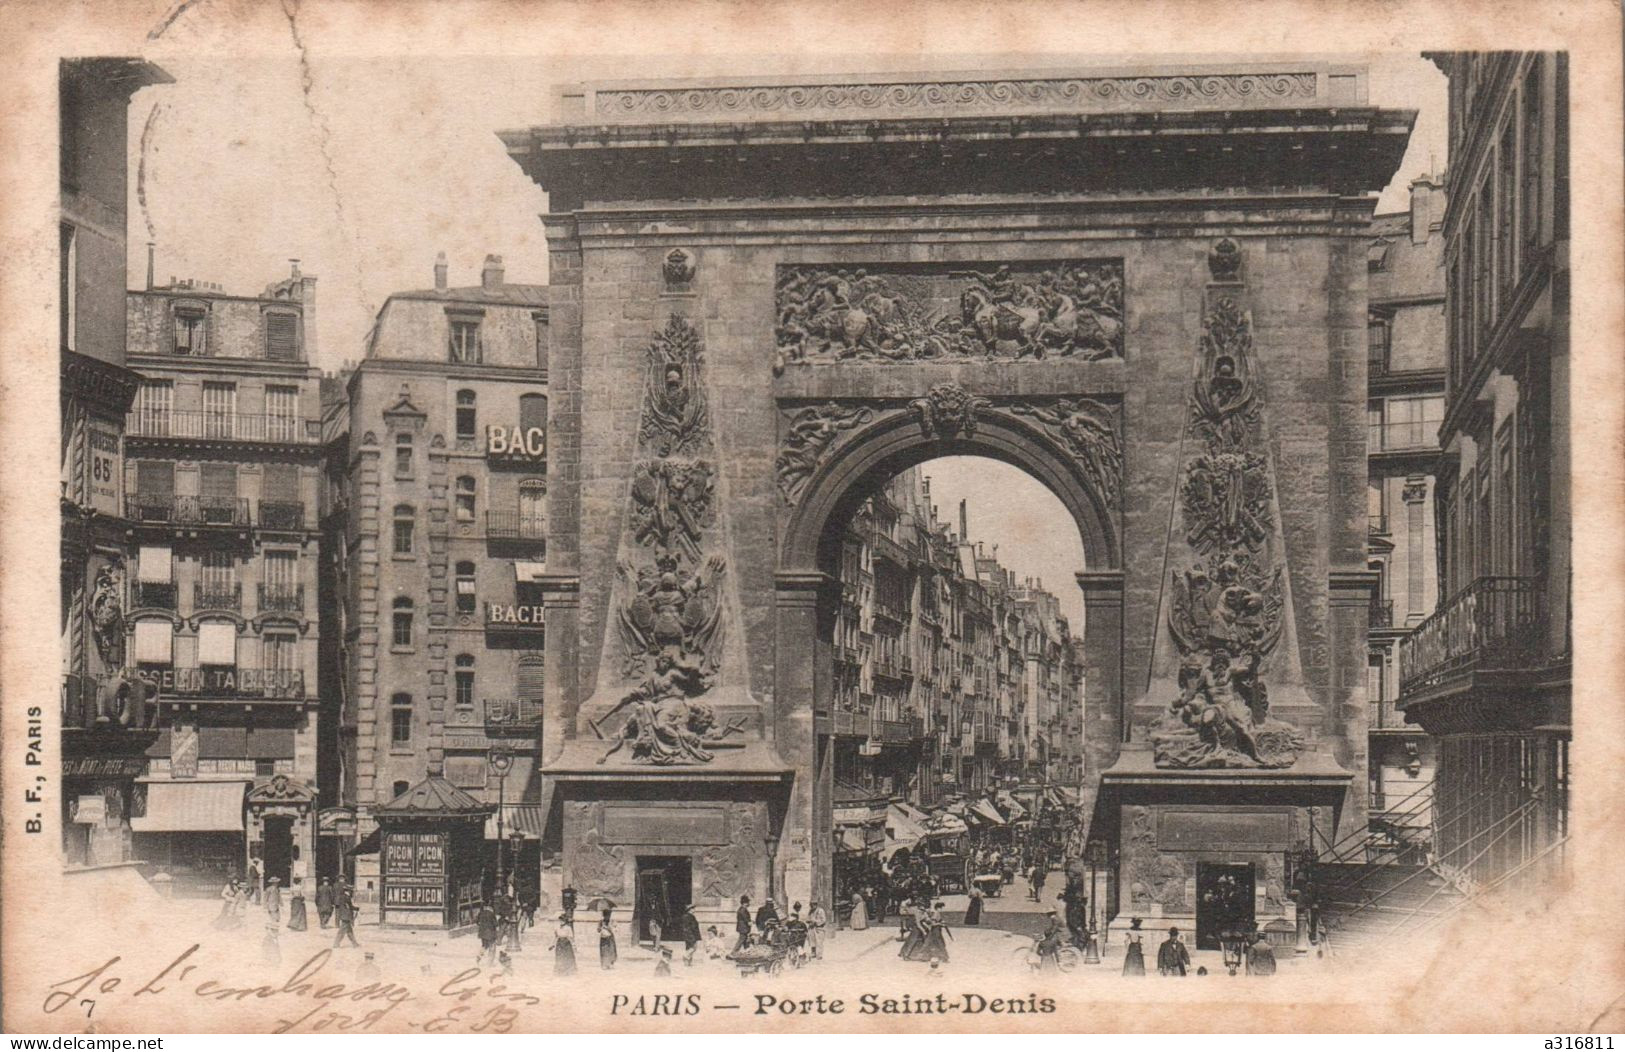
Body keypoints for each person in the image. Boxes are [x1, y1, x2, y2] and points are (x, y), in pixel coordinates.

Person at [332, 883, 361, 948]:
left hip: (344, 915)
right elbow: (350, 907)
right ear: (348, 891)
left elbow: (348, 906)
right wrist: (356, 908)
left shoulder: (343, 897)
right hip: (346, 916)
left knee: (349, 931)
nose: (352, 892)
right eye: (351, 891)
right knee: (342, 931)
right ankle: (336, 944)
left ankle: (355, 944)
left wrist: (356, 908)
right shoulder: (346, 897)